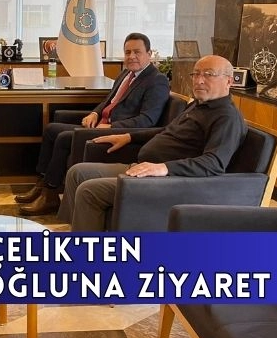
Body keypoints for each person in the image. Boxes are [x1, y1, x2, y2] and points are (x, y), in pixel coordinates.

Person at [59, 55, 246, 231]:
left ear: (229, 81)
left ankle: (85, 249)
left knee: (89, 191)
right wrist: (129, 137)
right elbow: (167, 131)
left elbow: (214, 163)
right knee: (78, 172)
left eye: (209, 74)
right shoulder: (198, 105)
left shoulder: (226, 117)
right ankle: (74, 232)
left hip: (167, 183)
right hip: (143, 170)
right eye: (196, 74)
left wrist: (164, 168)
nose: (199, 80)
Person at [17, 32, 170, 216]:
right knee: (51, 129)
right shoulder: (126, 74)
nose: (131, 56)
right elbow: (109, 101)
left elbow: (147, 120)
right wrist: (95, 113)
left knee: (64, 138)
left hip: (117, 133)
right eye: (127, 52)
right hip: (100, 125)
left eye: (137, 52)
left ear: (149, 54)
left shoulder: (157, 80)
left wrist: (112, 127)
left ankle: (50, 195)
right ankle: (42, 183)